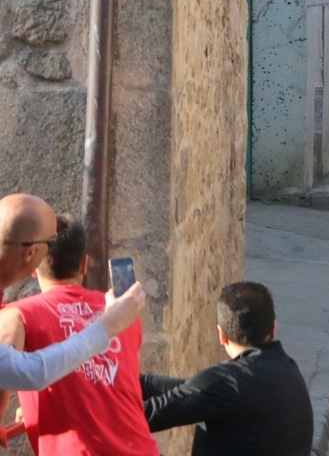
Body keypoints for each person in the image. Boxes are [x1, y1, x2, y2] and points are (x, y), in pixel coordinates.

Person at [0, 214, 157, 456]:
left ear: (34, 269)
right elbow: (120, 382)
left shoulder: (17, 315)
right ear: (84, 264)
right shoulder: (123, 311)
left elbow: (4, 370)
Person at [141, 282, 312, 456]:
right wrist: (135, 381)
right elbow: (195, 391)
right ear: (274, 328)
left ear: (221, 335)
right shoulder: (287, 368)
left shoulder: (229, 381)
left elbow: (142, 416)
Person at [0, 194, 146, 392]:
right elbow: (29, 372)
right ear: (31, 252)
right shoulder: (15, 314)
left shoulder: (12, 311)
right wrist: (108, 325)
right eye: (52, 241)